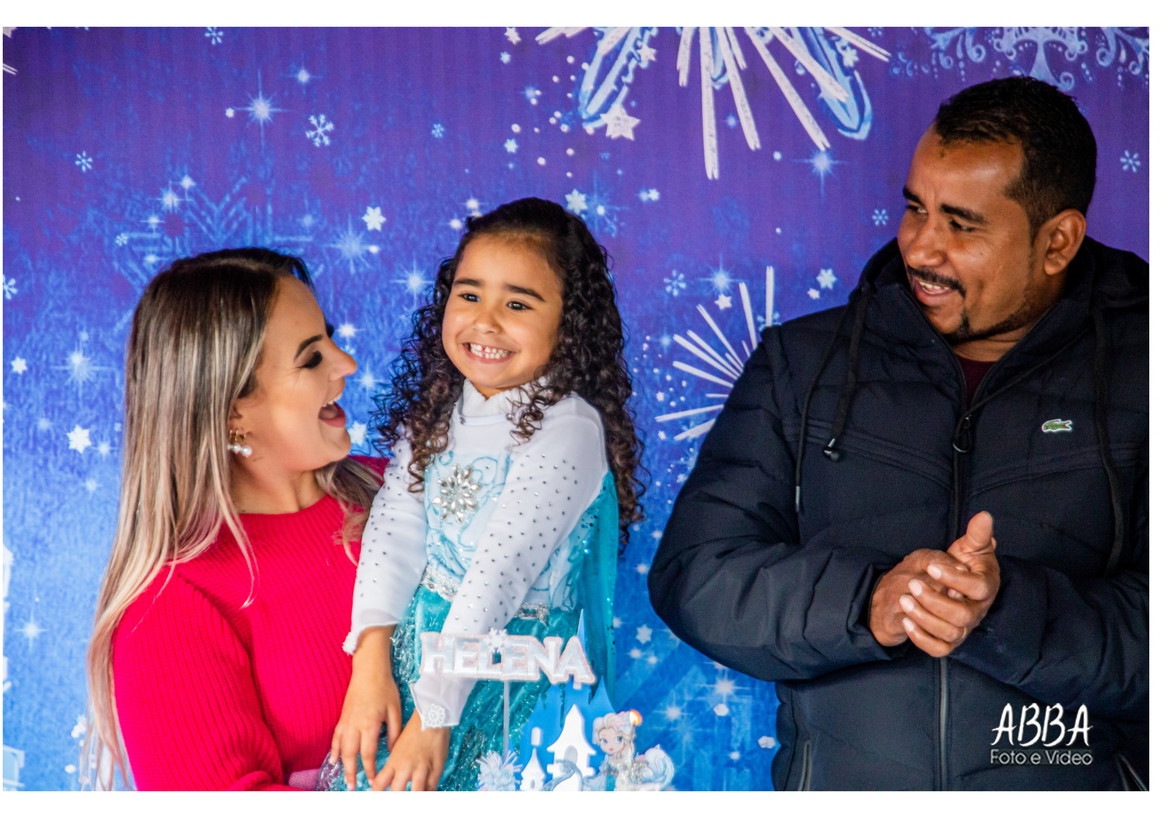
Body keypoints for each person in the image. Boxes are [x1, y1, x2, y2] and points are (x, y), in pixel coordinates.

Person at [649, 77, 1147, 790]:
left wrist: (1004, 611)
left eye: (962, 225)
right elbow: (697, 575)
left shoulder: (1149, 374)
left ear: (1057, 242)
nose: (920, 248)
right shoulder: (803, 364)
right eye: (916, 209)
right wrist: (870, 603)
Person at [321, 197, 643, 792]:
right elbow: (394, 527)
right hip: (419, 650)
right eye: (469, 295)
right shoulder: (438, 411)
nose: (486, 321)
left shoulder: (569, 429)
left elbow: (501, 571)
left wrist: (436, 712)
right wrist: (370, 657)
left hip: (504, 672)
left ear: (569, 322)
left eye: (517, 304)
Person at [85, 248, 385, 790]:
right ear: (231, 412)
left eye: (330, 338)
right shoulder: (174, 602)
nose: (347, 364)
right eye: (311, 358)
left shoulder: (407, 490)